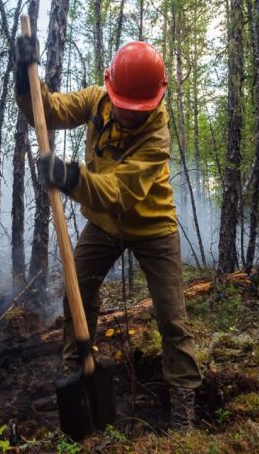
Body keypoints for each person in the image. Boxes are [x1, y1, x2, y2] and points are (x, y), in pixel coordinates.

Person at [14, 34, 202, 431]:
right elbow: (46, 110)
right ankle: (79, 373)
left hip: (153, 227)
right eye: (121, 104)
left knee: (172, 317)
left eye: (137, 109)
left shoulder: (156, 137)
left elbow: (119, 192)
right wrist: (23, 76)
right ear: (110, 87)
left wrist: (69, 177)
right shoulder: (97, 99)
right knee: (77, 291)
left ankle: (183, 407)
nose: (126, 114)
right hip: (104, 225)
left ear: (154, 101)